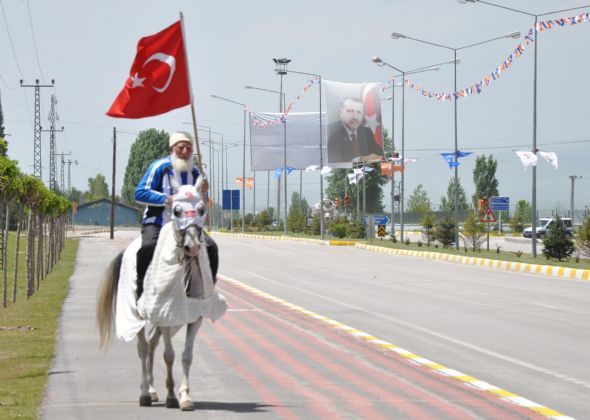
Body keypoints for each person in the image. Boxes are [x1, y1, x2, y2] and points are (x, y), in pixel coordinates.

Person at [135, 131, 218, 299]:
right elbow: (140, 193)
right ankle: (140, 291)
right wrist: (167, 199)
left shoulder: (195, 173)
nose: (186, 152)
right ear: (172, 148)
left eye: (189, 148)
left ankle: (208, 291)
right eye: (181, 147)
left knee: (211, 248)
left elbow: (200, 204)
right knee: (148, 248)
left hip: (187, 224)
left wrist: (204, 192)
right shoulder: (160, 167)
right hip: (158, 222)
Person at [327, 96, 382, 163]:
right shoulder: (331, 130)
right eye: (350, 111)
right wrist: (361, 159)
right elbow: (335, 158)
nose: (355, 117)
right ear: (340, 112)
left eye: (359, 112)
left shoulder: (366, 131)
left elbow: (378, 153)